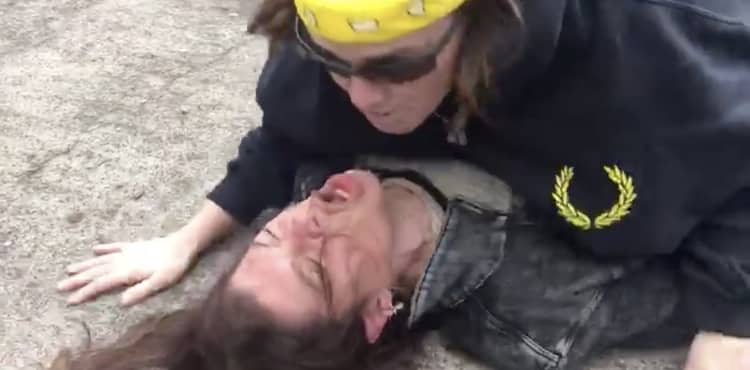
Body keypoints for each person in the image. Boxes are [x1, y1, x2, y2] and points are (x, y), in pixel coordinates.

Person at [57, 0, 750, 368]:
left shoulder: (648, 72)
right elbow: (287, 133)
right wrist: (188, 239)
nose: (361, 98)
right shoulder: (337, 64)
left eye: (393, 69)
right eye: (330, 61)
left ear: (475, 23)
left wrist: (729, 326)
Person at [48, 160, 705, 370]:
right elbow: (709, 274)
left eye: (268, 240)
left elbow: (274, 143)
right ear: (377, 311)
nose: (301, 221)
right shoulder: (541, 311)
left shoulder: (311, 174)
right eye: (317, 270)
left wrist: (186, 238)